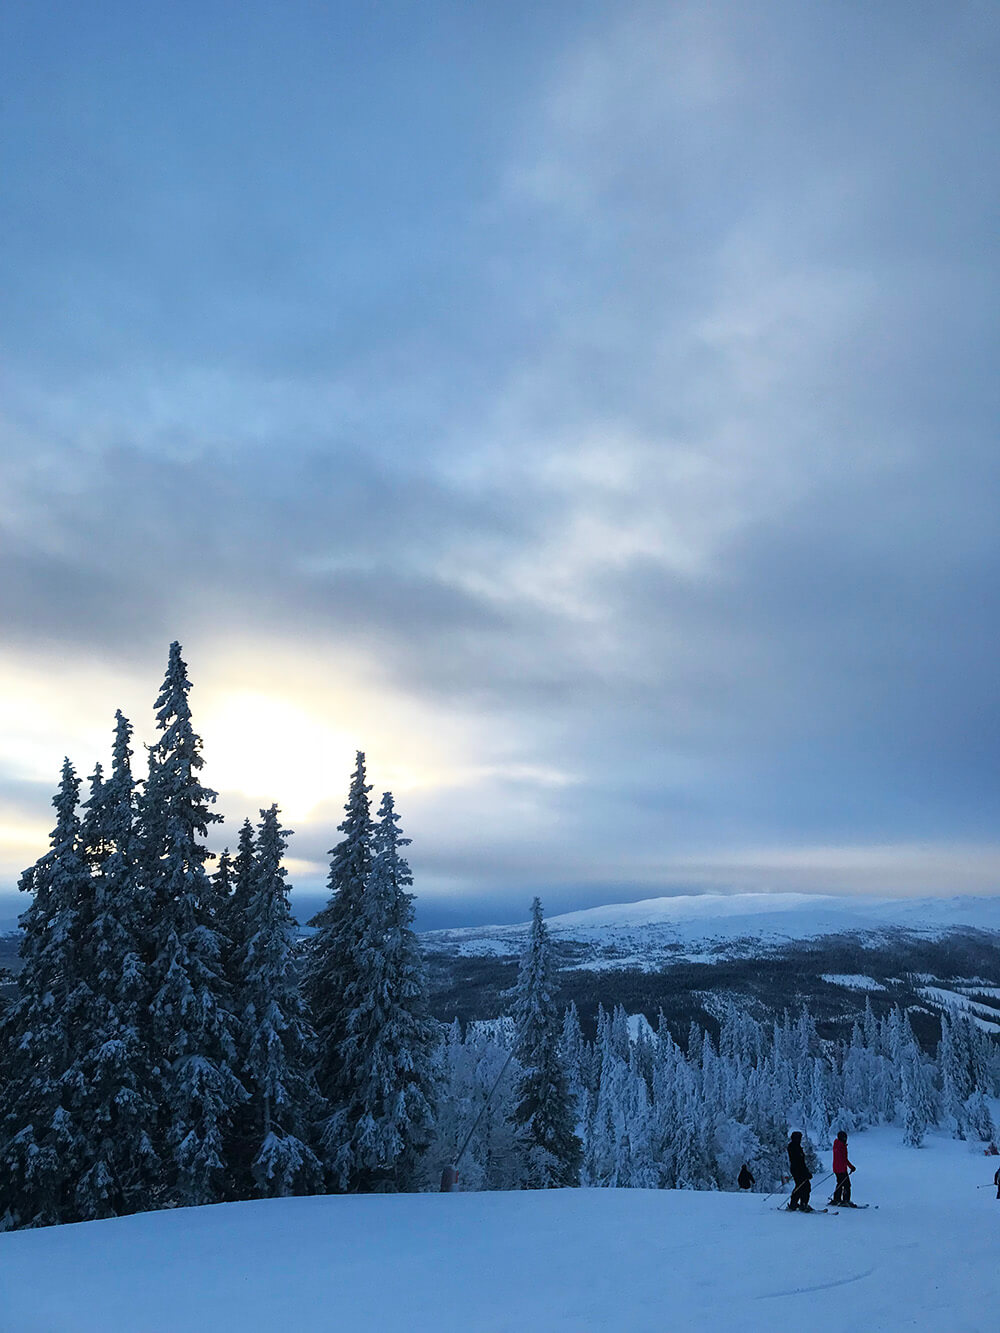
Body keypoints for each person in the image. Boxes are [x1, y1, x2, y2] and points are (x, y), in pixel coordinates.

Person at [786, 1131, 812, 1211]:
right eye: (798, 1138)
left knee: (801, 1186)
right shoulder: (793, 1147)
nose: (799, 1139)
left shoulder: (796, 1147)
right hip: (797, 1170)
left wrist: (806, 1171)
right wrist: (805, 1172)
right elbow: (798, 1161)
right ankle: (801, 1204)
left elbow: (801, 1161)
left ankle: (797, 1203)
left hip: (798, 1169)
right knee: (804, 1186)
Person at [831, 1130, 856, 1206]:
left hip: (837, 1168)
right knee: (847, 1185)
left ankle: (837, 1199)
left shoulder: (837, 1145)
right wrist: (851, 1167)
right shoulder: (841, 1147)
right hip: (841, 1169)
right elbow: (844, 1159)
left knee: (840, 1183)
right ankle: (845, 1200)